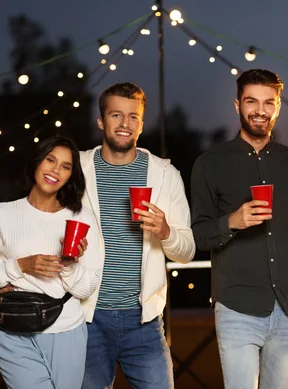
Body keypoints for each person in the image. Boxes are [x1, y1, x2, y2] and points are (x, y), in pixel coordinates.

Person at [191, 69, 288, 389]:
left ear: (277, 107)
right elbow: (199, 235)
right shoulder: (210, 163)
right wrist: (233, 222)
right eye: (251, 101)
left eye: (268, 103)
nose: (260, 110)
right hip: (236, 307)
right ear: (237, 105)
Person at [80, 82, 196, 389]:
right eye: (116, 115)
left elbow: (186, 252)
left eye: (133, 117)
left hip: (143, 321)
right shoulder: (77, 169)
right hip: (86, 318)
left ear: (141, 125)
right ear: (101, 121)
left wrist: (166, 231)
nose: (125, 124)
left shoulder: (164, 175)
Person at [0, 135, 101, 389]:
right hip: (10, 330)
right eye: (50, 160)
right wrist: (21, 265)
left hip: (65, 329)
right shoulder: (4, 214)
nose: (55, 170)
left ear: (71, 175)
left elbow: (88, 287)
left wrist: (70, 264)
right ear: (37, 161)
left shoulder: (82, 218)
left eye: (66, 166)